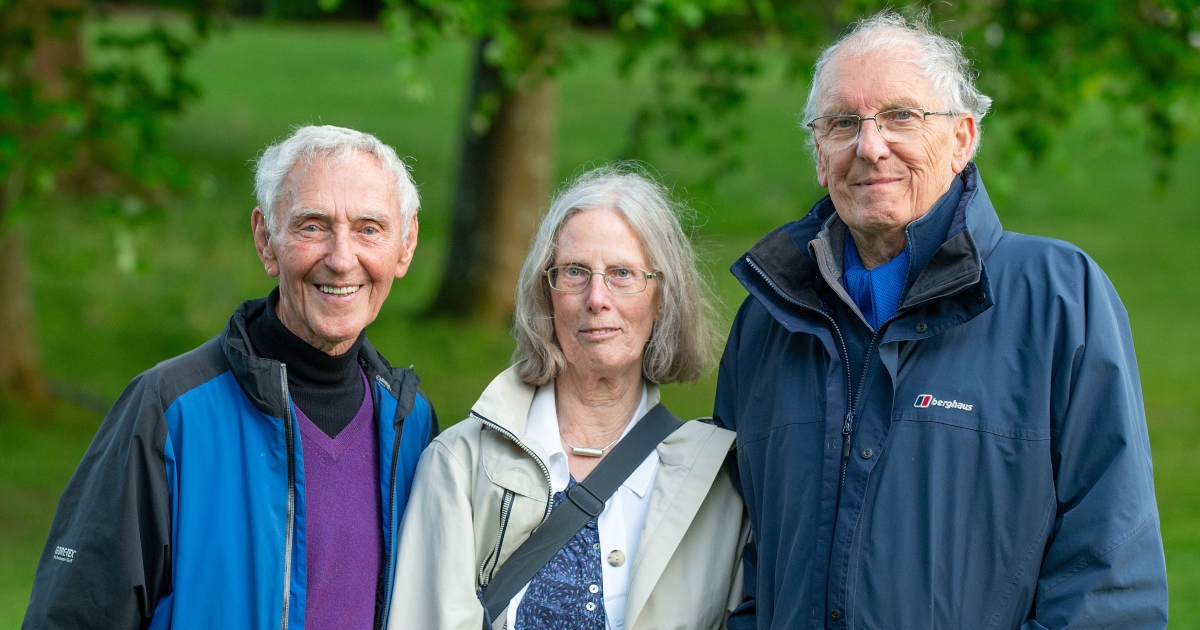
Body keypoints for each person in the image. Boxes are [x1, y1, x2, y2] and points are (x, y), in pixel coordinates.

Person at [714, 11, 1168, 629]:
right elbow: (732, 562)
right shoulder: (768, 323)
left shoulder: (1061, 300)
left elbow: (1110, 582)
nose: (871, 147)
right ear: (820, 155)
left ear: (962, 138)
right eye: (843, 123)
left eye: (901, 116)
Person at [23, 125, 438, 630]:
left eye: (369, 228)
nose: (341, 258)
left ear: (406, 244)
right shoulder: (170, 411)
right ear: (267, 240)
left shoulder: (411, 426)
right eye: (312, 226)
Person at [388, 166, 747, 630]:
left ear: (662, 298)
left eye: (622, 273)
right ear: (546, 295)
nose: (596, 298)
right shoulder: (460, 466)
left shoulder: (716, 488)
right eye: (574, 272)